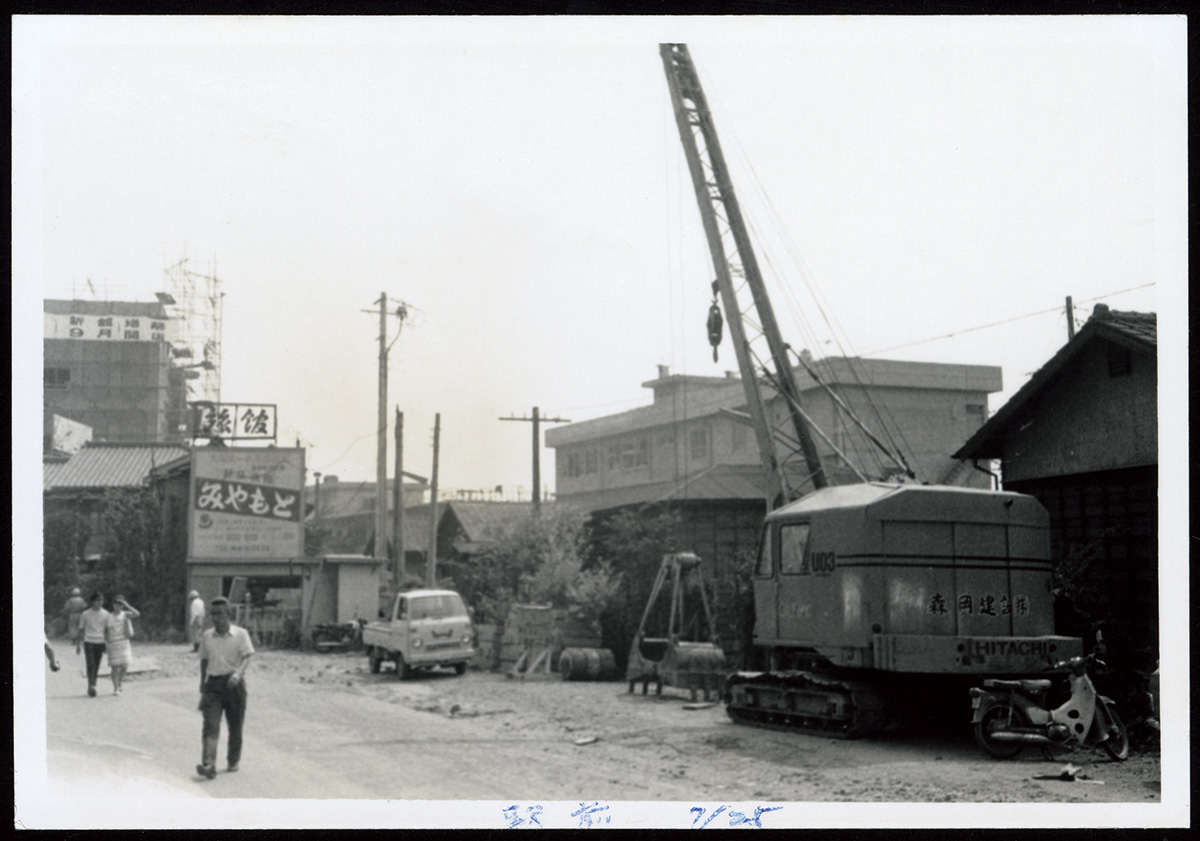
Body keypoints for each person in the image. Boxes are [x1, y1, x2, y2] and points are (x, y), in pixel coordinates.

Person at [196, 596, 254, 780]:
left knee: (235, 725)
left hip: (234, 684)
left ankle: (233, 760)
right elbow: (204, 660)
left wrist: (238, 673)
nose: (215, 618)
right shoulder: (207, 636)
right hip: (213, 684)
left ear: (228, 614)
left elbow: (247, 656)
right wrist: (202, 683)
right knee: (210, 725)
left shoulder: (241, 634)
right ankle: (208, 764)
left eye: (219, 614)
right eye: (212, 614)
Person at [104, 595, 140, 695]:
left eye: (120, 604)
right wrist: (106, 643)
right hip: (113, 642)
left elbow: (137, 614)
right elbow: (106, 631)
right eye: (116, 603)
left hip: (124, 642)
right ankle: (115, 688)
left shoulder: (125, 614)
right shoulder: (108, 616)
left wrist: (127, 605)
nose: (118, 606)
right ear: (113, 604)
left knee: (125, 665)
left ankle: (119, 682)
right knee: (114, 667)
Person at [75, 592, 109, 697]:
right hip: (88, 641)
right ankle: (91, 686)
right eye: (98, 600)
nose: (100, 602)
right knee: (90, 664)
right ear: (93, 601)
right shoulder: (85, 614)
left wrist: (107, 643)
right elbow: (80, 629)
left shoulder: (106, 614)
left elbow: (107, 630)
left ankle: (93, 684)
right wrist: (78, 645)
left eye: (101, 600)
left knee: (97, 664)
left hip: (100, 641)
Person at [64, 587, 88, 652]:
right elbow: (84, 606)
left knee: (72, 627)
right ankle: (80, 640)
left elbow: (67, 607)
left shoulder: (70, 600)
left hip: (72, 614)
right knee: (80, 627)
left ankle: (73, 640)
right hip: (80, 614)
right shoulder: (81, 599)